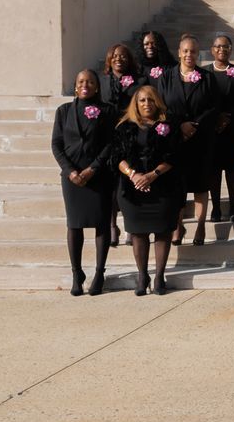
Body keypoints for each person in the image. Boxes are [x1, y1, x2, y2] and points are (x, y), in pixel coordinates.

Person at [111, 85, 181, 296]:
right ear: (136, 104)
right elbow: (116, 158)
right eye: (142, 100)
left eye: (150, 100)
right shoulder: (124, 126)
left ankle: (159, 276)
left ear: (157, 102)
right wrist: (134, 175)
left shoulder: (168, 125)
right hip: (133, 189)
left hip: (163, 186)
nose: (146, 104)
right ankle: (143, 275)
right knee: (138, 233)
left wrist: (152, 175)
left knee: (163, 232)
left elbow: (174, 156)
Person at [52, 69, 116, 296]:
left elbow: (110, 144)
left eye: (90, 81)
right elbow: (56, 145)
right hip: (72, 179)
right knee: (74, 225)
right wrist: (70, 172)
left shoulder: (107, 111)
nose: (85, 84)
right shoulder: (64, 111)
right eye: (81, 81)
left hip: (98, 176)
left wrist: (92, 169)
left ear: (97, 86)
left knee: (101, 224)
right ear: (76, 86)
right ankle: (76, 273)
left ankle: (99, 273)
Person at [153, 34, 217, 246]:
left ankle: (200, 226)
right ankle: (178, 226)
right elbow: (162, 106)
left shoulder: (207, 77)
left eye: (193, 51)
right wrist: (180, 125)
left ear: (198, 54)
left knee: (200, 185)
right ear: (179, 52)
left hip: (200, 140)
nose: (190, 55)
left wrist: (195, 125)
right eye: (186, 51)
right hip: (175, 139)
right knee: (177, 186)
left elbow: (213, 107)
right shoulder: (167, 77)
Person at [204, 34, 234, 223]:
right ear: (212, 49)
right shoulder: (205, 73)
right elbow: (203, 99)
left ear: (231, 49)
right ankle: (216, 207)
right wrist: (216, 117)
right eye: (218, 46)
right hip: (212, 128)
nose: (221, 50)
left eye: (225, 46)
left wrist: (227, 116)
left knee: (232, 167)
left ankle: (233, 206)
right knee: (214, 169)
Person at [100, 42, 143, 246]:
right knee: (109, 186)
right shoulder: (101, 81)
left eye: (123, 56)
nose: (119, 59)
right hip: (107, 137)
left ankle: (130, 227)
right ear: (109, 59)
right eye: (115, 56)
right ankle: (111, 225)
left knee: (126, 185)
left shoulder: (139, 81)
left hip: (129, 136)